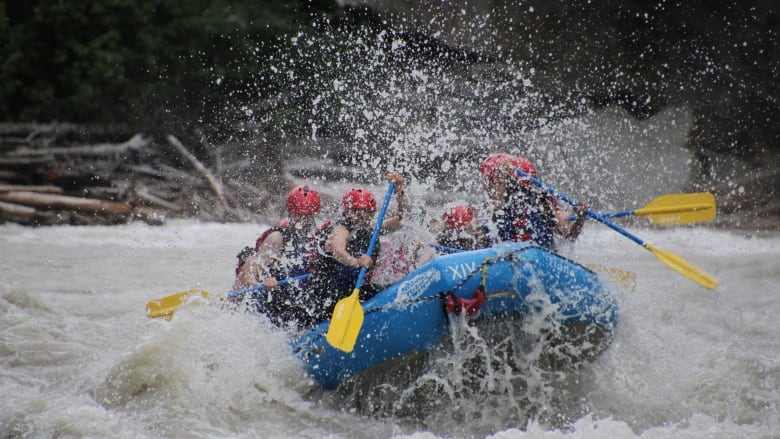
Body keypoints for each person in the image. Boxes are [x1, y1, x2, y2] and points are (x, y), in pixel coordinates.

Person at [305, 173, 409, 326]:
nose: (361, 216)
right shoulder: (340, 229)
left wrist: (399, 191)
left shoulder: (371, 229)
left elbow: (403, 217)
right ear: (346, 212)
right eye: (355, 211)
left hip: (354, 291)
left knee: (393, 287)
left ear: (371, 213)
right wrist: (356, 261)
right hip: (327, 295)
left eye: (366, 211)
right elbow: (338, 251)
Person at [232, 185, 323, 327]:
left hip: (297, 305)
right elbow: (247, 273)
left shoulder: (318, 238)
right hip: (270, 306)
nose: (302, 221)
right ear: (290, 213)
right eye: (298, 215)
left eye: (307, 216)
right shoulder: (277, 238)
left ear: (314, 215)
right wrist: (262, 283)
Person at [479, 153, 588, 249]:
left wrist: (580, 218)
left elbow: (569, 235)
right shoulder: (491, 207)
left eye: (494, 181)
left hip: (539, 258)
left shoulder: (541, 203)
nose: (489, 187)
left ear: (512, 183)